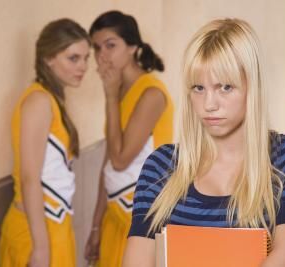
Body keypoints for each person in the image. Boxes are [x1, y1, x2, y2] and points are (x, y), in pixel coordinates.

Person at [123, 18, 285, 267]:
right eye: (198, 88)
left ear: (253, 86)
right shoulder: (162, 164)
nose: (209, 104)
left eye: (225, 87)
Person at [84, 10, 174, 267]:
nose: (102, 55)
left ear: (133, 47)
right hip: (115, 212)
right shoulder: (121, 91)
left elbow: (121, 159)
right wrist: (95, 226)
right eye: (97, 47)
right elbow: (109, 161)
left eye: (111, 45)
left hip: (140, 217)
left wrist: (110, 97)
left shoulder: (151, 94)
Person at [0, 18, 91, 267]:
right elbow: (30, 177)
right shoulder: (38, 101)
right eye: (73, 58)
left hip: (53, 226)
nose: (83, 66)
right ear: (49, 58)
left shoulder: (51, 100)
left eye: (86, 58)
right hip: (35, 231)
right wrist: (40, 249)